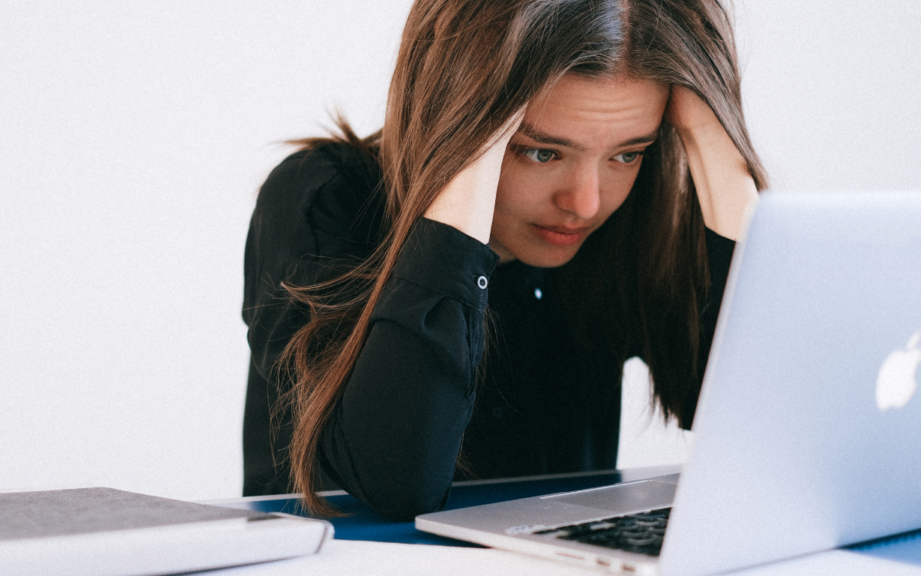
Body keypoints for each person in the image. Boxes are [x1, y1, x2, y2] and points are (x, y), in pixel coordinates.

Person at [242, 0, 767, 521]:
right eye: (541, 152)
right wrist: (462, 166)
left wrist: (720, 147)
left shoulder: (627, 221)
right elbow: (396, 483)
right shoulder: (324, 199)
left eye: (626, 154)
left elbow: (769, 433)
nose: (585, 203)